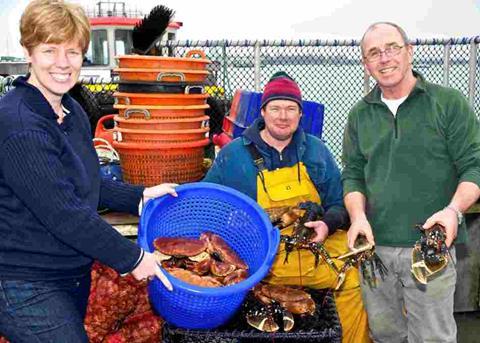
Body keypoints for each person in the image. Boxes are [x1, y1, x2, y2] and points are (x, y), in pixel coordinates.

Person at [0, 1, 176, 342]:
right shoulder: (20, 123)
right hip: (22, 280)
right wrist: (133, 258)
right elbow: (63, 213)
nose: (63, 64)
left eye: (73, 51)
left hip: (68, 272)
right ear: (29, 52)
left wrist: (138, 196)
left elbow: (85, 178)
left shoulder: (72, 111)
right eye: (50, 50)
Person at [204, 71, 371, 343]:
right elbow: (207, 205)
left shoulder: (316, 150)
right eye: (276, 108)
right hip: (260, 259)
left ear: (300, 114)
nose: (283, 116)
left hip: (315, 246)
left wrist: (327, 223)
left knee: (356, 275)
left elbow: (339, 201)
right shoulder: (234, 155)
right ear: (263, 111)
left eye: (291, 108)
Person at [342, 21, 480, 343]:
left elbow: (474, 166)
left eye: (392, 48)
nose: (384, 58)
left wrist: (453, 211)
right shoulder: (359, 115)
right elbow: (352, 173)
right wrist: (358, 217)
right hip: (373, 250)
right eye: (374, 53)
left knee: (433, 336)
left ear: (409, 51)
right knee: (385, 334)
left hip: (431, 246)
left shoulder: (448, 103)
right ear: (366, 64)